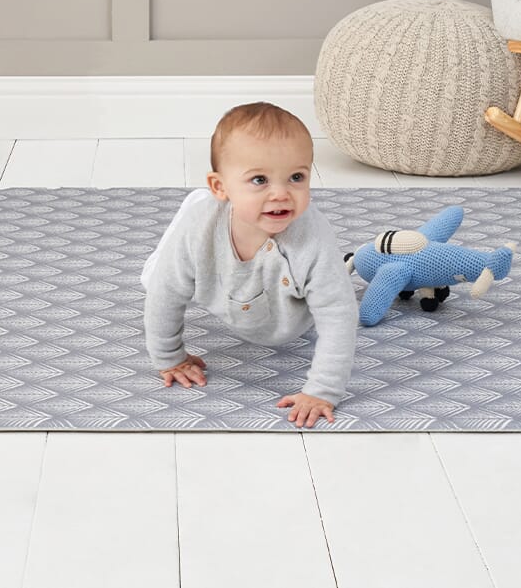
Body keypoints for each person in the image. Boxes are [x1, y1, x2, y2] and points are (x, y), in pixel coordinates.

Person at [141, 102, 359, 427]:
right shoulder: (200, 230)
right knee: (158, 277)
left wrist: (323, 390)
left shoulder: (312, 239)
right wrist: (170, 358)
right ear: (220, 187)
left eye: (296, 177)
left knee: (332, 285)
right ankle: (194, 207)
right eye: (259, 180)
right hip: (218, 282)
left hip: (288, 313)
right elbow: (165, 294)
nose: (281, 194)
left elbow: (339, 315)